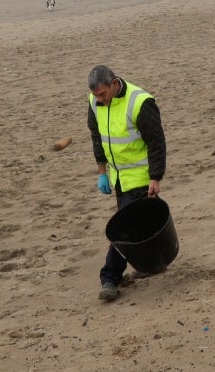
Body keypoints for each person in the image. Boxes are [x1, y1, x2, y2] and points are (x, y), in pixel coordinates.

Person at [87, 65, 166, 302]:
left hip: (140, 176)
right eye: (96, 95)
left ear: (114, 83)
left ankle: (110, 278)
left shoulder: (140, 102)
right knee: (143, 224)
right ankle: (153, 262)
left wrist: (155, 177)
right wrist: (102, 172)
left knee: (124, 229)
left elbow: (156, 142)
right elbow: (96, 137)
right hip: (118, 176)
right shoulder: (94, 102)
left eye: (102, 94)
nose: (99, 99)